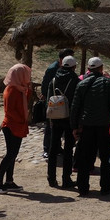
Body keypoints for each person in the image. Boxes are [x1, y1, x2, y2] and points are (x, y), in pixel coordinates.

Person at [71, 56, 110, 196]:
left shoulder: (81, 84)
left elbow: (75, 107)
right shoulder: (108, 83)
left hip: (87, 126)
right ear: (101, 68)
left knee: (85, 157)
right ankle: (105, 187)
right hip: (105, 126)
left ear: (88, 69)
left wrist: (74, 126)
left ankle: (82, 187)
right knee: (105, 158)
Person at [0, 63, 32, 194]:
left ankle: (9, 181)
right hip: (12, 125)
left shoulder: (20, 89)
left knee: (13, 154)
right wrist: (22, 120)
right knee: (10, 154)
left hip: (17, 124)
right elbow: (10, 111)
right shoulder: (12, 90)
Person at [46, 55, 80, 189]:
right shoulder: (75, 80)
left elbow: (49, 99)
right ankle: (66, 179)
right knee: (68, 149)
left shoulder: (53, 80)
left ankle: (51, 178)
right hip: (69, 118)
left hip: (55, 117)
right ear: (74, 67)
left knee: (53, 149)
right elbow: (76, 102)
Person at [40, 49, 75, 158]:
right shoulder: (53, 69)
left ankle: (57, 148)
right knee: (50, 127)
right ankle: (47, 148)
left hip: (62, 103)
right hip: (53, 103)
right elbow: (45, 86)